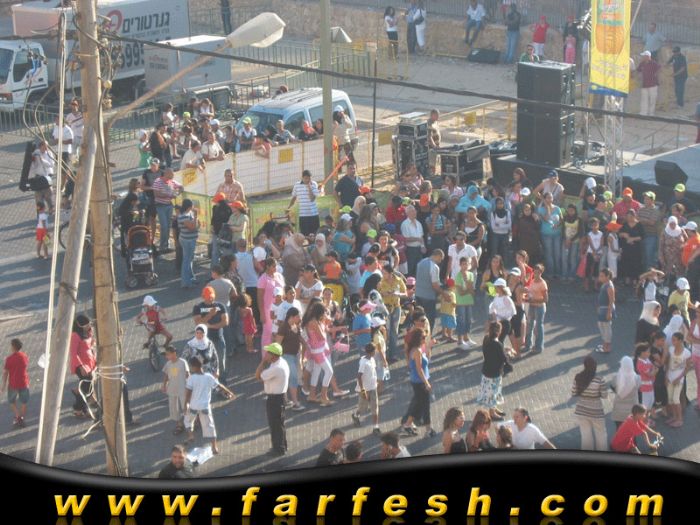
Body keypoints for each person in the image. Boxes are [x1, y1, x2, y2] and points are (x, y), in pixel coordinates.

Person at [184, 356, 234, 455]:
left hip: (194, 406)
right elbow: (219, 386)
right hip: (205, 407)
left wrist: (186, 404)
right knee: (210, 426)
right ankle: (214, 447)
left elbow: (188, 393)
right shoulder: (208, 376)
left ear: (194, 367)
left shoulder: (191, 378)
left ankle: (190, 435)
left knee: (187, 421)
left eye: (191, 366)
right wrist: (229, 392)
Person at [255, 342, 290, 456]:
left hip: (275, 399)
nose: (266, 354)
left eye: (268, 353)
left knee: (275, 425)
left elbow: (257, 375)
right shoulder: (281, 362)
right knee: (279, 424)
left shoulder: (276, 368)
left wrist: (263, 361)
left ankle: (278, 449)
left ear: (273, 355)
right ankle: (282, 446)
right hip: (280, 397)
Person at [401, 328, 436, 438]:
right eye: (423, 337)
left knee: (419, 405)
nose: (425, 339)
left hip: (418, 381)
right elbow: (419, 368)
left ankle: (407, 425)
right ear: (418, 339)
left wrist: (429, 346)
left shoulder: (417, 349)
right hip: (420, 382)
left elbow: (426, 360)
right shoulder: (417, 351)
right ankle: (428, 430)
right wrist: (426, 383)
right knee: (425, 406)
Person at [570, 355, 608, 451]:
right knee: (601, 434)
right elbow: (604, 395)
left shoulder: (578, 377)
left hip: (581, 410)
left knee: (586, 436)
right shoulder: (599, 379)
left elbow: (573, 393)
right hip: (596, 411)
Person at [276, 307, 305, 411]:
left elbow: (299, 337)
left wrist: (305, 345)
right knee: (293, 377)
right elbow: (277, 344)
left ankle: (285, 399)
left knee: (288, 378)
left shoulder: (295, 325)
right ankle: (295, 403)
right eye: (298, 316)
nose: (300, 318)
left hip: (295, 355)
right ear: (292, 317)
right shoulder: (283, 327)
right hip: (286, 356)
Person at [477, 322, 508, 420]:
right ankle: (492, 413)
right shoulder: (498, 344)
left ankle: (494, 408)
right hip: (495, 372)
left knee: (490, 391)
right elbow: (503, 358)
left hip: (486, 369)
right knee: (493, 392)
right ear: (499, 331)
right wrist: (508, 353)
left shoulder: (486, 339)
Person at [69, 315, 97, 419]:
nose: (89, 326)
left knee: (86, 387)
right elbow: (73, 353)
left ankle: (80, 408)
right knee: (86, 386)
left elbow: (91, 345)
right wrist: (81, 366)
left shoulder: (87, 333)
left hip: (89, 363)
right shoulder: (75, 336)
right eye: (87, 324)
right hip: (81, 365)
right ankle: (80, 407)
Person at [351, 343, 381, 435]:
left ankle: (376, 427)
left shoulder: (372, 359)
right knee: (363, 408)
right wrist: (363, 390)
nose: (375, 352)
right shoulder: (363, 363)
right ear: (371, 352)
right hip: (365, 390)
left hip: (373, 388)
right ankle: (356, 415)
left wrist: (376, 381)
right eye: (374, 350)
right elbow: (359, 376)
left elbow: (373, 372)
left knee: (375, 407)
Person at [665, 332, 692, 427]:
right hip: (670, 377)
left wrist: (679, 378)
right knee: (670, 399)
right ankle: (674, 417)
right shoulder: (671, 349)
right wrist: (666, 376)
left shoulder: (686, 353)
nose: (672, 342)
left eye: (674, 340)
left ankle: (680, 419)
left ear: (680, 341)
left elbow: (687, 367)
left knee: (676, 399)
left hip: (679, 379)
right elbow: (668, 364)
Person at [161, 346, 189, 435]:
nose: (166, 356)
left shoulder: (182, 362)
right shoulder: (168, 364)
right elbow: (166, 375)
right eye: (166, 355)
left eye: (168, 354)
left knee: (185, 406)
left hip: (183, 389)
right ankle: (179, 425)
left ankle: (190, 423)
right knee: (174, 408)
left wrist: (190, 387)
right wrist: (164, 385)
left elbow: (188, 374)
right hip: (172, 389)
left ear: (174, 353)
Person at [414, 249, 444, 329]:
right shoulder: (434, 267)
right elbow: (435, 285)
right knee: (429, 319)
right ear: (438, 256)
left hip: (418, 294)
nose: (440, 261)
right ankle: (428, 335)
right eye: (441, 259)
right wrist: (443, 293)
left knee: (419, 317)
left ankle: (419, 334)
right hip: (428, 296)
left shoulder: (421, 262)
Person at [3, 339, 29, 428]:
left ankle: (17, 416)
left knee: (11, 401)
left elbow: (5, 373)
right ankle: (21, 418)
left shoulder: (9, 359)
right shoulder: (24, 356)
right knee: (24, 402)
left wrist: (3, 385)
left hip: (13, 384)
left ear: (13, 347)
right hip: (24, 382)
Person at [537, 192, 563, 279]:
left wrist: (558, 225)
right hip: (546, 234)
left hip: (557, 234)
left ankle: (558, 272)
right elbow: (546, 218)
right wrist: (548, 208)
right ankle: (550, 273)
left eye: (551, 197)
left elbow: (561, 220)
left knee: (557, 253)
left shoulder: (557, 208)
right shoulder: (541, 209)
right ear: (544, 199)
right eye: (547, 198)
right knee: (549, 254)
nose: (550, 199)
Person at [611, 356, 641, 429]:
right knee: (632, 430)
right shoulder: (637, 378)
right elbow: (638, 388)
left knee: (619, 430)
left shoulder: (616, 377)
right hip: (632, 410)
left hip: (618, 410)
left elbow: (613, 386)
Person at [288, 170, 320, 236]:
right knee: (305, 235)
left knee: (315, 234)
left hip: (313, 214)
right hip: (303, 215)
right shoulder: (297, 185)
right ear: (302, 178)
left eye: (309, 178)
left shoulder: (314, 184)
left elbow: (312, 199)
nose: (308, 180)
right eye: (306, 178)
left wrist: (309, 187)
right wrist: (289, 208)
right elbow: (294, 197)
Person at [524, 264, 548, 354]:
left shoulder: (543, 284)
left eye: (538, 273)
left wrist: (533, 300)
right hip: (531, 306)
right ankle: (528, 345)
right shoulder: (532, 281)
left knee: (538, 327)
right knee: (529, 325)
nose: (536, 274)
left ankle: (539, 347)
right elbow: (530, 292)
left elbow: (545, 299)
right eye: (535, 272)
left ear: (541, 273)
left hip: (539, 307)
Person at [455, 256, 477, 349]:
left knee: (468, 320)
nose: (465, 266)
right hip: (460, 302)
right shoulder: (458, 276)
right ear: (460, 265)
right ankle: (460, 341)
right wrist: (469, 288)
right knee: (461, 320)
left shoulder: (471, 274)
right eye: (463, 264)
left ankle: (466, 338)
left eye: (467, 264)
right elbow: (461, 292)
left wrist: (467, 285)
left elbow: (472, 291)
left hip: (469, 301)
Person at [619, 210, 644, 285]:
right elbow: (619, 233)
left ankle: (635, 280)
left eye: (630, 217)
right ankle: (627, 279)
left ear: (634, 216)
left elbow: (642, 236)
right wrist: (624, 234)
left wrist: (633, 239)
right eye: (627, 217)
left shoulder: (639, 225)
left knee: (636, 263)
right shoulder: (624, 224)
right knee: (626, 262)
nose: (628, 218)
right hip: (626, 247)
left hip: (636, 248)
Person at [177, 199, 199, 288]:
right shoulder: (184, 216)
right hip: (187, 241)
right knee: (186, 261)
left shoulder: (189, 214)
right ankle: (186, 282)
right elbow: (192, 227)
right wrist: (196, 217)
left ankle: (191, 278)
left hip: (189, 239)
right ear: (189, 206)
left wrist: (195, 219)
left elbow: (197, 225)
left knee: (190, 259)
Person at [488, 278, 517, 344]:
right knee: (498, 339)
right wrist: (495, 318)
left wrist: (506, 319)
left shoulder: (506, 298)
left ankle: (514, 350)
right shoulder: (496, 297)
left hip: (505, 323)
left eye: (496, 287)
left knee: (500, 339)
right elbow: (492, 307)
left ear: (501, 288)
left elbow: (513, 311)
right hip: (498, 322)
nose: (495, 288)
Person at [401, 206, 426, 277]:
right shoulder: (405, 224)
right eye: (412, 211)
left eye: (415, 210)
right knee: (410, 268)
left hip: (419, 249)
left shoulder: (418, 223)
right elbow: (405, 239)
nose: (415, 212)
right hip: (410, 249)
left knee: (419, 268)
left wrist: (423, 246)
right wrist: (417, 239)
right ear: (407, 213)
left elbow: (421, 236)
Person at [595, 269, 615, 353]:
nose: (600, 277)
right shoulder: (604, 284)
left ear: (607, 276)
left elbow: (611, 300)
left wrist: (609, 312)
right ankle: (604, 344)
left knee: (606, 327)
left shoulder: (609, 286)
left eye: (602, 276)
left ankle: (607, 347)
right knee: (601, 325)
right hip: (602, 309)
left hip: (606, 309)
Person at [637, 51, 661, 116]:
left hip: (653, 84)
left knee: (652, 99)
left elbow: (659, 68)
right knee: (644, 99)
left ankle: (651, 113)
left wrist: (655, 74)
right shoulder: (642, 63)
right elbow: (638, 70)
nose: (643, 57)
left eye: (644, 56)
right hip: (644, 84)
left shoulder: (653, 63)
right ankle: (643, 113)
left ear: (648, 56)